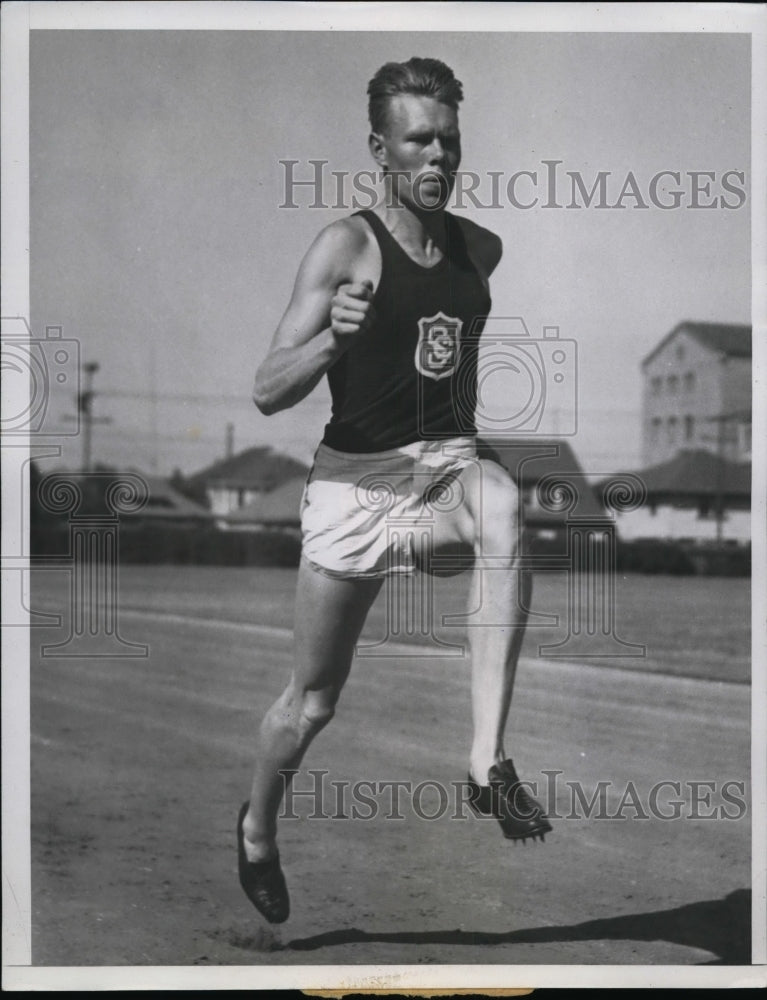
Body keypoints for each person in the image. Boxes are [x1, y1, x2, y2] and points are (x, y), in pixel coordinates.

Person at [239, 57, 551, 924]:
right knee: (312, 702)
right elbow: (267, 388)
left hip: (444, 474)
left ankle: (487, 763)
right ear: (379, 147)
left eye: (449, 139)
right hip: (353, 491)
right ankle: (258, 830)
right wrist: (331, 342)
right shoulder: (344, 245)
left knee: (503, 509)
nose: (438, 156)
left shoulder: (478, 250)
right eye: (419, 139)